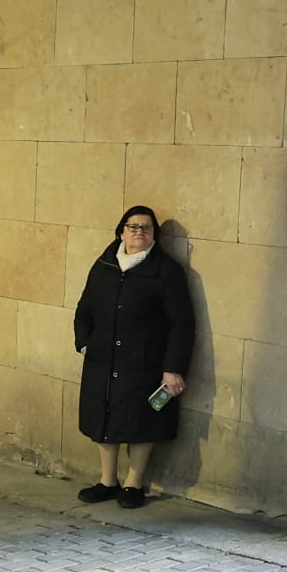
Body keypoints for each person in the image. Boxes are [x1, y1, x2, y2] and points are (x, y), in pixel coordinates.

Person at [73, 205, 194, 509]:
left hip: (144, 361)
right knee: (104, 417)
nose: (139, 232)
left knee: (142, 422)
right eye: (133, 227)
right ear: (121, 231)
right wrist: (84, 343)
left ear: (155, 235)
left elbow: (182, 324)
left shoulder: (166, 271)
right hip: (103, 358)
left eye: (146, 228)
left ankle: (133, 484)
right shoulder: (104, 264)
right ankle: (107, 481)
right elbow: (84, 307)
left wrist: (173, 369)